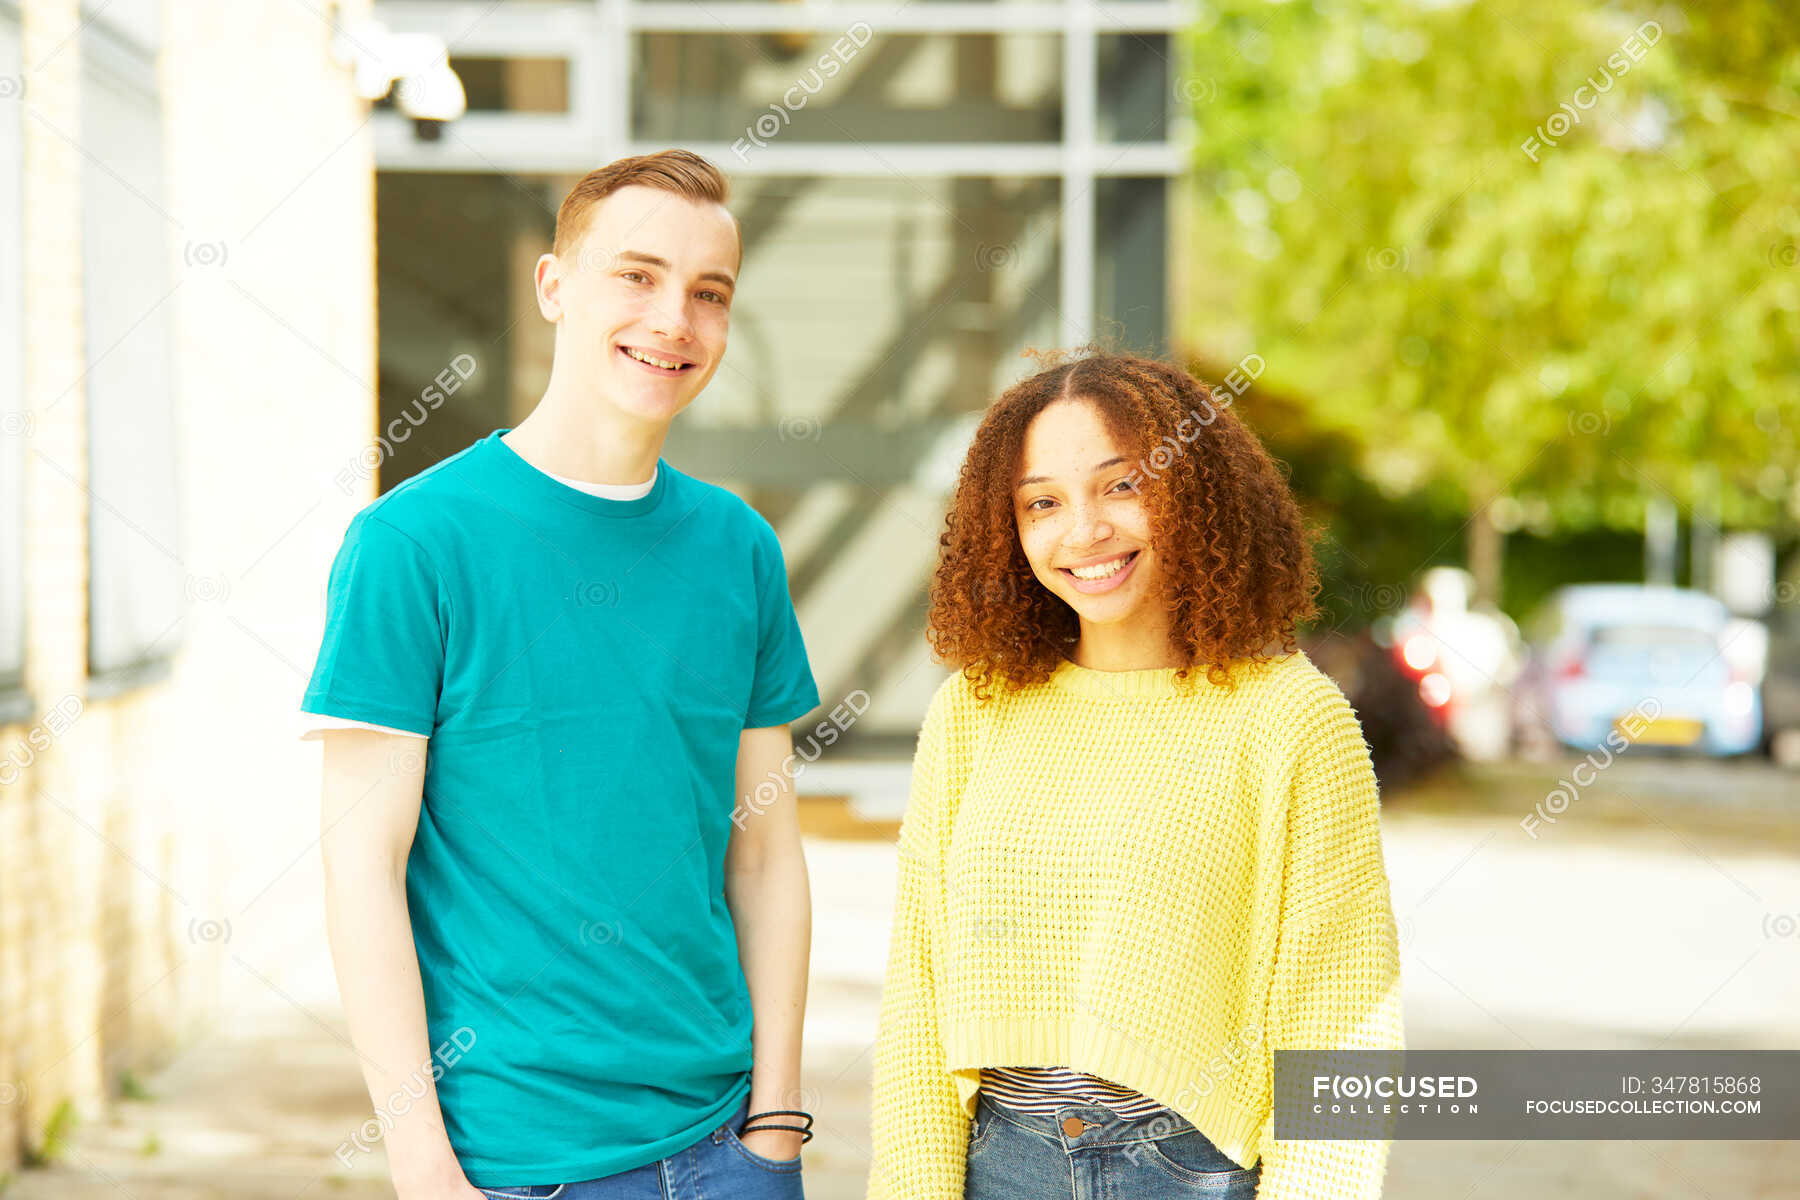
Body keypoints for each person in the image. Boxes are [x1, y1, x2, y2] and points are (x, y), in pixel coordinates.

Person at [302, 150, 821, 1200]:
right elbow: (362, 871)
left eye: (707, 293)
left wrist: (775, 1125)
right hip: (515, 1166)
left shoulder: (738, 548)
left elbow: (764, 854)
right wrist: (424, 1170)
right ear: (554, 287)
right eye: (636, 275)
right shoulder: (413, 543)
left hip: (731, 1153)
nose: (673, 317)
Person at [868, 352, 1405, 1199]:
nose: (1083, 531)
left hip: (1189, 1168)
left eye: (1121, 486)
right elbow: (916, 997)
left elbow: (1338, 1020)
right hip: (998, 1164)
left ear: (1195, 492)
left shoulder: (1292, 717)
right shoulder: (973, 712)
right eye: (1042, 502)